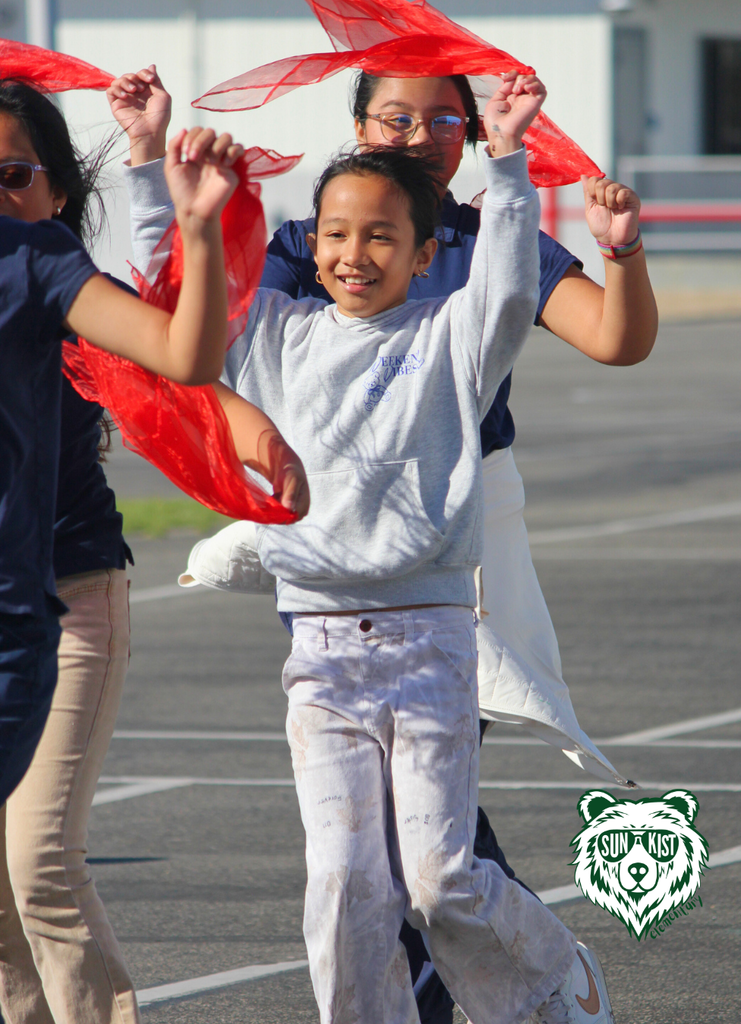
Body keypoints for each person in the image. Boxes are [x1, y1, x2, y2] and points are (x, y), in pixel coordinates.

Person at [110, 63, 653, 1022]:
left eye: (381, 238)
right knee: (346, 892)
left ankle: (548, 970)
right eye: (335, 235)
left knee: (440, 878)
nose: (353, 254)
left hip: (434, 640)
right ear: (310, 242)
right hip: (321, 651)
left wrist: (512, 156)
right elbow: (169, 298)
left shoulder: (457, 336)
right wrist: (154, 168)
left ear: (422, 251)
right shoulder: (275, 331)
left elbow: (514, 277)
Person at [0, 78, 307, 1024]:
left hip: (59, 601)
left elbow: (176, 363)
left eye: (13, 174)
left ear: (54, 193)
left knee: (38, 867)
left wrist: (255, 435)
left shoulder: (48, 279)